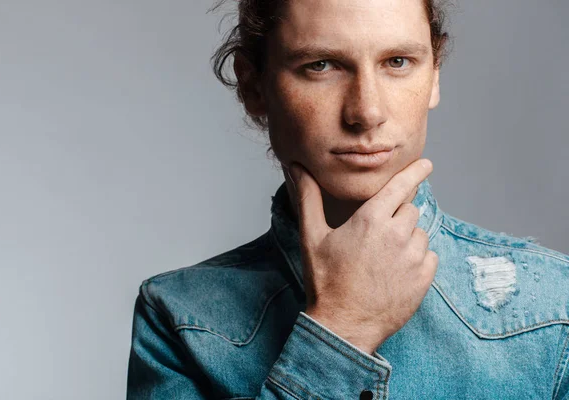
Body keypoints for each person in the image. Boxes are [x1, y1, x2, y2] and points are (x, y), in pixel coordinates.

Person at [126, 0, 569, 398]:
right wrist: (341, 328)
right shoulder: (181, 317)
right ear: (254, 85)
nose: (366, 112)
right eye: (321, 65)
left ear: (434, 74)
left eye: (398, 61)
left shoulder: (554, 306)